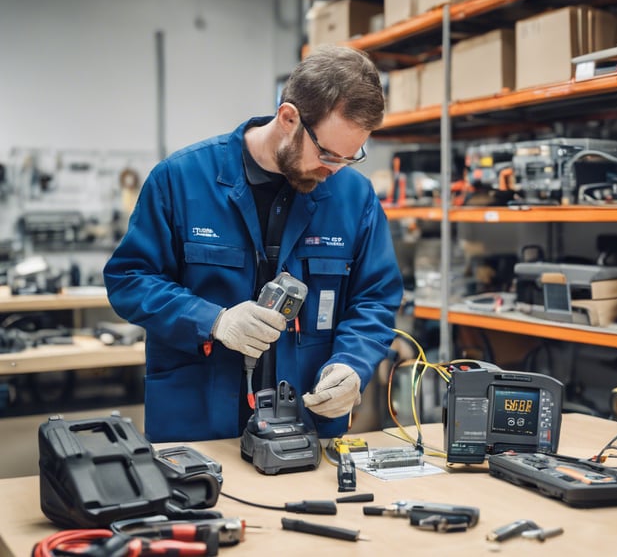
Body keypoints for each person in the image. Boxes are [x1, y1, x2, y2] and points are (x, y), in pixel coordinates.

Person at [103, 45, 403, 443]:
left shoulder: (354, 197)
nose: (334, 171)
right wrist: (213, 320)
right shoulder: (181, 179)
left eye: (350, 157)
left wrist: (353, 364)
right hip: (197, 424)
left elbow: (374, 299)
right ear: (288, 117)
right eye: (328, 154)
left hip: (306, 427)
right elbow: (130, 279)